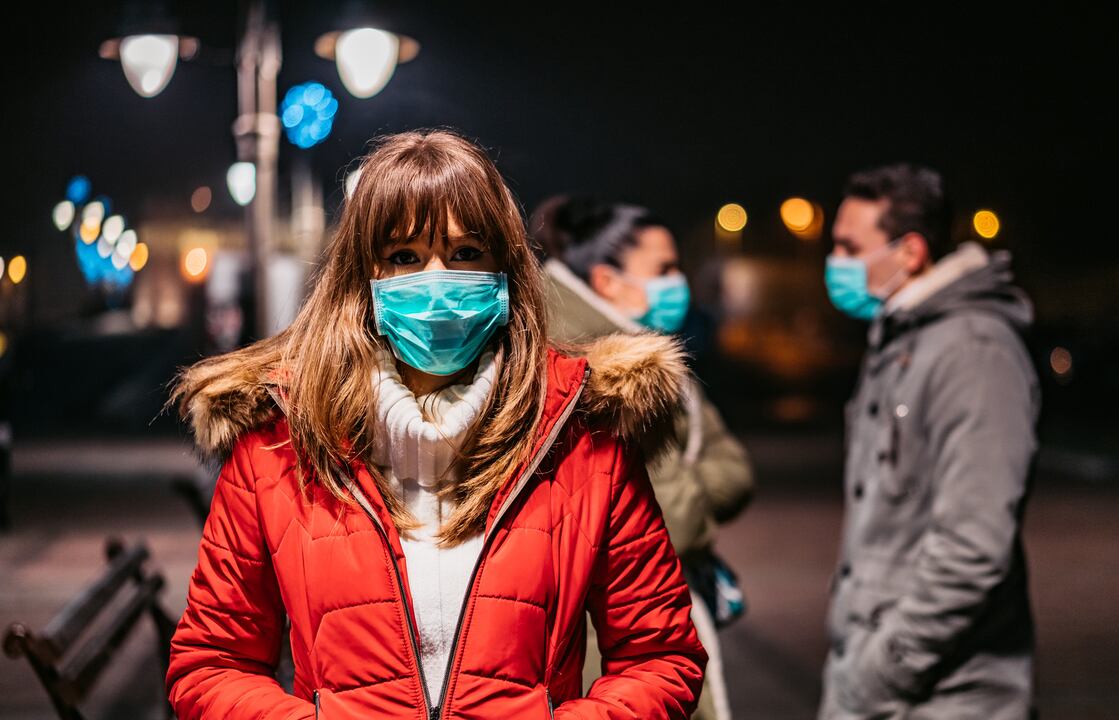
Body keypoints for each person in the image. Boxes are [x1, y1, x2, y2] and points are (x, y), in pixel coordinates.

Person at [165, 129, 706, 719]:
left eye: (467, 253)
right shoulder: (279, 441)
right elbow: (212, 663)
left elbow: (660, 656)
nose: (438, 280)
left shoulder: (581, 434)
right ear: (363, 276)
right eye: (404, 256)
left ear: (506, 267)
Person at [819, 164, 1039, 719]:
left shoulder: (973, 352)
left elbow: (973, 546)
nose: (835, 262)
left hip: (942, 694)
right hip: (878, 683)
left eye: (850, 247)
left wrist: (883, 670)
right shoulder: (901, 338)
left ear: (911, 252)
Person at [531, 196, 754, 720]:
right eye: (664, 269)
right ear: (607, 281)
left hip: (639, 643)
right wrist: (692, 494)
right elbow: (673, 518)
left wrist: (687, 487)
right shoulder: (586, 365)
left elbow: (735, 469)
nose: (679, 281)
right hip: (597, 650)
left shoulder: (651, 353)